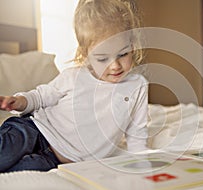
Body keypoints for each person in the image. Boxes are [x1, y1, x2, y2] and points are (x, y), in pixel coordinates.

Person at [0, 0, 148, 172]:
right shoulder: (74, 77)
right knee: (5, 154)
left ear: (133, 45)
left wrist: (142, 165)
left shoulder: (137, 87)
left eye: (123, 54)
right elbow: (41, 96)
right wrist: (21, 101)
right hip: (35, 131)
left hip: (54, 160)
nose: (115, 65)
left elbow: (137, 135)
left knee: (22, 171)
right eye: (102, 58)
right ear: (86, 54)